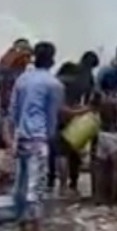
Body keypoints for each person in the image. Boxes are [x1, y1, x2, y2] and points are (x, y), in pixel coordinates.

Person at [4, 41, 62, 231]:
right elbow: (52, 116)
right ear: (52, 60)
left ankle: (21, 224)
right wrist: (51, 137)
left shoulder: (22, 79)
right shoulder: (53, 84)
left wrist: (12, 136)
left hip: (21, 137)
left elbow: (13, 112)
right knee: (35, 189)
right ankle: (34, 226)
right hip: (39, 139)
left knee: (20, 185)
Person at [47, 62, 88, 194]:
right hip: (67, 122)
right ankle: (67, 185)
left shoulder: (54, 84)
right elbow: (64, 108)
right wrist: (82, 111)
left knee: (57, 154)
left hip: (56, 122)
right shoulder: (67, 86)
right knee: (66, 154)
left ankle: (54, 182)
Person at [90, 71, 117, 206]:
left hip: (101, 134)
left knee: (100, 168)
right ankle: (113, 198)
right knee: (115, 168)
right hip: (113, 135)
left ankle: (98, 197)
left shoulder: (99, 100)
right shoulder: (114, 102)